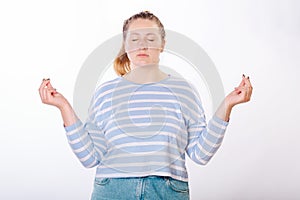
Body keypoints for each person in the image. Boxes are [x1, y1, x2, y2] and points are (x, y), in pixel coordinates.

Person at [39, 11, 252, 200]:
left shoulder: (184, 91)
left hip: (167, 191)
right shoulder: (105, 93)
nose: (142, 45)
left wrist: (227, 105)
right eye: (134, 39)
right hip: (112, 190)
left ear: (162, 45)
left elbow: (201, 154)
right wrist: (64, 107)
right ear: (125, 46)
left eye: (150, 38)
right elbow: (89, 157)